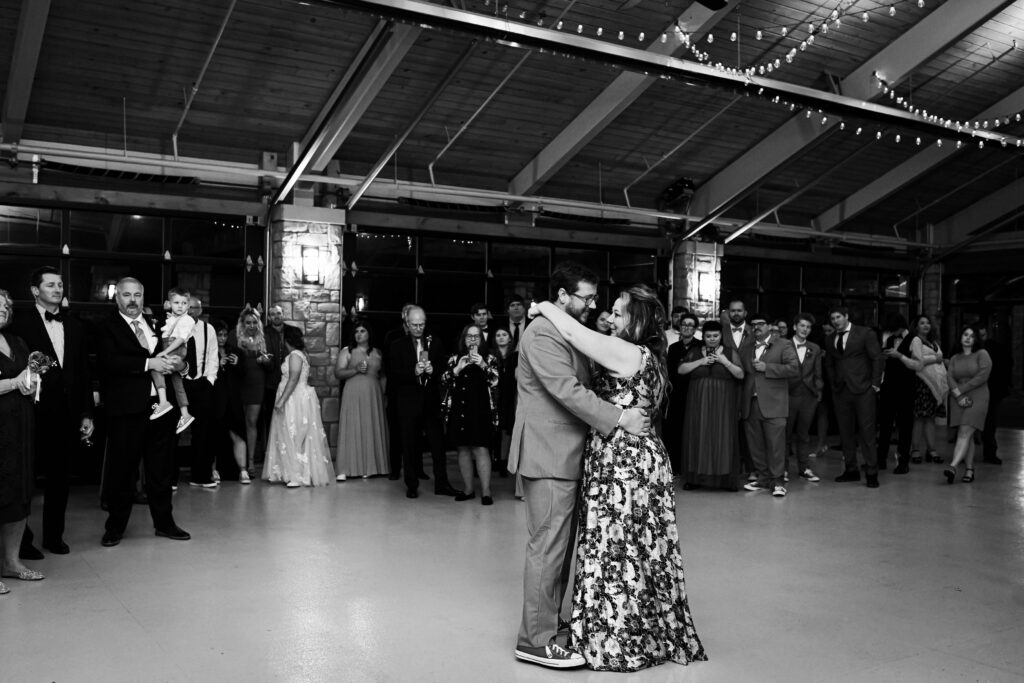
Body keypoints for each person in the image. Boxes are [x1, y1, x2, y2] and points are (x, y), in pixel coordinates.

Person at [528, 282, 707, 672]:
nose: (609, 316)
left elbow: (575, 332)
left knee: (616, 547)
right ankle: (645, 630)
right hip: (643, 459)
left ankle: (615, 639)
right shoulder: (650, 356)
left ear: (637, 321)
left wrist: (542, 304)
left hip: (621, 461)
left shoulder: (626, 351)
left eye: (619, 312)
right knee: (641, 547)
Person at [508, 261, 650, 670]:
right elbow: (568, 391)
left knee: (559, 549)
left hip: (565, 453)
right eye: (585, 297)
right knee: (547, 548)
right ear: (562, 296)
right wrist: (621, 418)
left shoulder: (567, 331)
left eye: (593, 297)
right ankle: (534, 641)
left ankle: (548, 627)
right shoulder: (541, 333)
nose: (592, 305)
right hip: (548, 453)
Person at [97, 277, 190, 547]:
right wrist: (150, 362)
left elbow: (180, 356)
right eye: (126, 295)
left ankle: (165, 523)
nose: (132, 300)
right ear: (117, 298)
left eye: (137, 294)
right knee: (122, 471)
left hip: (161, 409)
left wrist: (179, 365)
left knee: (161, 470)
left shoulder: (157, 323)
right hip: (126, 411)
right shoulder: (107, 327)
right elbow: (109, 362)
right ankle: (115, 527)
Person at [10, 267, 94, 557]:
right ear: (35, 290)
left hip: (67, 413)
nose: (58, 289)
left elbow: (83, 372)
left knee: (60, 478)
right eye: (50, 285)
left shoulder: (75, 325)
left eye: (60, 285)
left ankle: (54, 536)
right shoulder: (19, 323)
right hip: (30, 411)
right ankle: (21, 541)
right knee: (25, 479)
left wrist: (86, 413)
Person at [388, 306, 460, 499]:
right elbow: (393, 375)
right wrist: (413, 372)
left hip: (430, 401)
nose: (419, 328)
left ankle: (442, 483)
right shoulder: (397, 345)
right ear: (407, 324)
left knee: (438, 444)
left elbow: (443, 370)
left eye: (422, 324)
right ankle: (412, 484)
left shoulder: (435, 342)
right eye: (415, 325)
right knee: (409, 445)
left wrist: (432, 370)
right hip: (408, 401)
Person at [0, 289, 45, 589]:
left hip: (19, 428)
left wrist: (31, 383)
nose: (4, 308)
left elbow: (26, 380)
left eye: (7, 305)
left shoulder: (17, 342)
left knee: (18, 494)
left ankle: (11, 562)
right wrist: (16, 382)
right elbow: (14, 381)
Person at [262, 326, 335, 487]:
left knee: (293, 433)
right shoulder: (301, 354)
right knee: (291, 432)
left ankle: (296, 474)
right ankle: (291, 471)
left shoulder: (295, 355)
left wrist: (281, 400)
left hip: (293, 399)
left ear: (286, 339)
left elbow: (293, 379)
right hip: (297, 396)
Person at [678, 320, 744, 491]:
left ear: (721, 336)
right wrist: (702, 361)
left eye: (716, 336)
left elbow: (740, 374)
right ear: (703, 336)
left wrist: (724, 362)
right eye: (708, 336)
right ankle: (695, 479)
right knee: (698, 436)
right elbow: (681, 370)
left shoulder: (730, 352)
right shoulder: (694, 351)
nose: (712, 339)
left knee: (723, 437)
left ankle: (725, 480)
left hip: (723, 405)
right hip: (698, 404)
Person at [740, 312, 799, 497]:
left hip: (774, 403)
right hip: (751, 402)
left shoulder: (784, 344)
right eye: (753, 324)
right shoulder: (746, 347)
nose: (756, 327)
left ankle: (778, 481)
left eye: (761, 323)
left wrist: (768, 368)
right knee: (755, 444)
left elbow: (794, 368)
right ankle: (763, 478)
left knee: (776, 445)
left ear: (769, 326)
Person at [825, 306, 884, 488]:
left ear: (846, 316)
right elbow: (830, 363)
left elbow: (877, 358)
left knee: (867, 432)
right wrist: (833, 384)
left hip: (864, 389)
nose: (835, 321)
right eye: (833, 318)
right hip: (841, 390)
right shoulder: (829, 338)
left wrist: (875, 384)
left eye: (838, 317)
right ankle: (851, 470)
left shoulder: (865, 333)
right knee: (845, 432)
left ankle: (872, 472)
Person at [441, 324, 499, 505]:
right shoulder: (454, 358)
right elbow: (443, 381)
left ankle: (486, 491)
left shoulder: (489, 358)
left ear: (482, 340)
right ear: (463, 339)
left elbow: (496, 381)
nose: (472, 340)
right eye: (469, 336)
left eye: (476, 336)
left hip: (480, 409)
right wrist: (457, 368)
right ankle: (468, 489)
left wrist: (482, 365)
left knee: (481, 449)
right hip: (460, 408)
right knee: (463, 448)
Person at [334, 321, 389, 480]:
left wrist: (383, 396)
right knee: (352, 426)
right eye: (356, 331)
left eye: (363, 331)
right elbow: (338, 373)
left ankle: (370, 467)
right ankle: (346, 468)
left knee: (370, 427)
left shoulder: (378, 352)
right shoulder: (347, 351)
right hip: (353, 393)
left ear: (369, 333)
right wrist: (355, 369)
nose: (359, 334)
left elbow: (383, 376)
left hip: (373, 395)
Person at [944, 325, 991, 484]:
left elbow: (982, 376)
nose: (968, 337)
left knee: (965, 431)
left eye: (972, 335)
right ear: (960, 337)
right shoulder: (955, 358)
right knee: (966, 435)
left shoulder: (982, 354)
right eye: (965, 334)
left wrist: (960, 390)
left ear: (976, 339)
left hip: (978, 396)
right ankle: (969, 470)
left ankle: (953, 466)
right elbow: (949, 377)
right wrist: (958, 396)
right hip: (958, 398)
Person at [231, 306, 271, 483]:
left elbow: (271, 363)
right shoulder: (235, 337)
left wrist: (266, 361)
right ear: (242, 323)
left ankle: (252, 461)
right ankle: (239, 463)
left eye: (255, 322)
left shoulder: (264, 338)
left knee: (252, 422)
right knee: (238, 422)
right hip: (239, 383)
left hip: (257, 383)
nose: (252, 325)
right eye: (248, 322)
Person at [183, 296, 219, 488]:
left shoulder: (208, 329)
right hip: (180, 383)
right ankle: (170, 479)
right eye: (187, 307)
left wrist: (210, 380)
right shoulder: (174, 327)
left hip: (202, 384)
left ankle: (201, 476)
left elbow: (213, 355)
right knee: (174, 429)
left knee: (203, 432)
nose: (190, 311)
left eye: (194, 308)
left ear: (200, 310)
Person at [149, 287, 196, 434]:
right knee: (177, 383)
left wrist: (165, 352)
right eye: (176, 302)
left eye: (183, 303)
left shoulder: (187, 320)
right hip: (171, 346)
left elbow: (181, 339)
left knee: (155, 368)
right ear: (169, 303)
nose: (180, 306)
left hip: (175, 348)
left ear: (188, 305)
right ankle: (185, 413)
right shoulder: (170, 318)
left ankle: (163, 402)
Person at [785, 313, 823, 484]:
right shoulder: (783, 345)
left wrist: (818, 391)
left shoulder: (814, 348)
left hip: (808, 395)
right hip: (788, 394)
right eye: (802, 326)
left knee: (804, 434)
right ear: (794, 327)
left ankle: (804, 468)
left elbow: (818, 372)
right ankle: (783, 469)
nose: (805, 329)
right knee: (785, 434)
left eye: (808, 327)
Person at [904, 314, 946, 465]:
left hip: (934, 386)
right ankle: (915, 450)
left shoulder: (933, 341)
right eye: (922, 323)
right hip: (922, 383)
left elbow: (939, 357)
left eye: (928, 323)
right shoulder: (915, 340)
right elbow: (918, 361)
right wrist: (936, 358)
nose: (926, 325)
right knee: (919, 418)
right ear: (916, 326)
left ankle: (931, 449)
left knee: (930, 418)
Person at [261, 305, 301, 459]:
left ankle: (293, 454)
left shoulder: (293, 332)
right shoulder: (263, 332)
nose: (276, 316)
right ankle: (273, 456)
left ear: (283, 314)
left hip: (292, 384)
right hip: (270, 383)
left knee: (292, 421)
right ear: (269, 317)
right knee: (272, 421)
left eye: (278, 313)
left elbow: (301, 353)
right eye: (272, 314)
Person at [664, 312, 701, 476]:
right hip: (675, 393)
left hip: (694, 391)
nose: (687, 327)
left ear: (695, 329)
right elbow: (670, 371)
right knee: (674, 430)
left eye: (690, 325)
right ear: (680, 327)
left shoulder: (700, 346)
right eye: (684, 324)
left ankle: (690, 466)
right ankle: (674, 466)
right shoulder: (673, 348)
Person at [877, 314, 915, 474]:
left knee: (905, 426)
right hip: (888, 386)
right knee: (885, 424)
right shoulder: (889, 338)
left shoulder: (914, 339)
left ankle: (903, 461)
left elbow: (918, 364)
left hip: (906, 387)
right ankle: (880, 460)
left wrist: (900, 356)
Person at [211, 319, 247, 482]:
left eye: (225, 335)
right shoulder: (209, 352)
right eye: (219, 335)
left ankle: (243, 470)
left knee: (237, 435)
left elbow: (243, 375)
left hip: (233, 400)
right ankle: (212, 470)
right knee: (213, 437)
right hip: (215, 400)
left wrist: (237, 365)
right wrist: (218, 365)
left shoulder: (236, 351)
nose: (222, 338)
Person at [978, 325, 1010, 464]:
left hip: (991, 390)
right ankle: (988, 453)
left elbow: (1006, 365)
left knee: (989, 422)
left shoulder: (994, 349)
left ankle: (990, 452)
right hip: (979, 390)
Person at [491, 326, 518, 480]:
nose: (501, 337)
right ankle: (493, 460)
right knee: (493, 430)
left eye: (504, 335)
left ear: (509, 338)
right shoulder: (490, 355)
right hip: (493, 396)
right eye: (498, 335)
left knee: (506, 429)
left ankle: (503, 462)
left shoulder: (515, 356)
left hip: (508, 396)